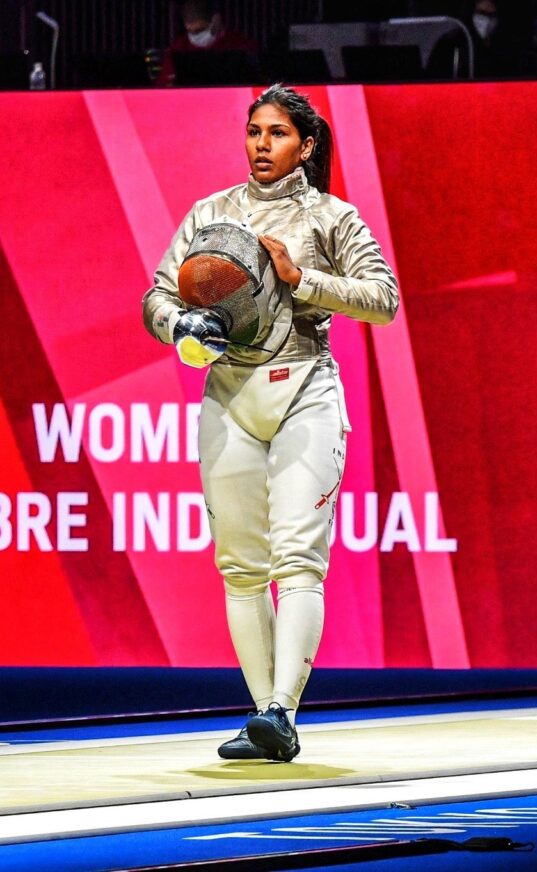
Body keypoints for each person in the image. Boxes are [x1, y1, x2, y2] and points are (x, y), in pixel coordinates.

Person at [142, 84, 399, 761]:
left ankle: (284, 707)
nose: (262, 144)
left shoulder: (333, 218)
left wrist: (302, 278)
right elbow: (158, 295)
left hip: (305, 391)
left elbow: (383, 299)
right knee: (240, 566)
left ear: (305, 146)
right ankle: (263, 718)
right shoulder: (211, 213)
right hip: (229, 394)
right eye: (255, 131)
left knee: (297, 558)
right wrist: (182, 326)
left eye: (278, 133)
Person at [156, 1, 259, 87]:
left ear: (215, 20)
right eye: (190, 32)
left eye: (200, 30)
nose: (195, 36)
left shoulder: (241, 45)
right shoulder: (179, 47)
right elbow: (163, 85)